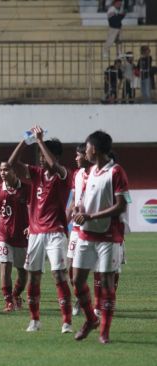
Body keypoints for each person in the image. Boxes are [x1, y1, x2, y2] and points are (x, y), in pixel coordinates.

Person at [8, 126, 73, 334]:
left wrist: (40, 141)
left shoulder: (64, 174)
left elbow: (54, 165)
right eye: (40, 156)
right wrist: (25, 140)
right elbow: (10, 164)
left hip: (55, 232)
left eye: (43, 155)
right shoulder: (35, 173)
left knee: (58, 275)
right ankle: (34, 320)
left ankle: (67, 322)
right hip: (36, 234)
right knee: (33, 277)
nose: (41, 159)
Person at [72, 130, 129, 344]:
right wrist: (79, 209)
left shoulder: (115, 171)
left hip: (108, 235)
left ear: (94, 149)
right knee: (77, 281)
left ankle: (104, 331)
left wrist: (91, 215)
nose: (84, 151)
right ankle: (90, 319)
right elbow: (84, 201)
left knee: (106, 284)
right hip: (86, 234)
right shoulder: (88, 172)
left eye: (86, 147)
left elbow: (121, 205)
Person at [0, 162, 30, 312]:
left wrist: (31, 226)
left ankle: (16, 295)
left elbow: (34, 209)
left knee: (23, 273)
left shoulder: (27, 189)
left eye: (6, 170)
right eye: (1, 170)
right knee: (5, 267)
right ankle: (8, 301)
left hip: (23, 237)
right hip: (4, 236)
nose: (3, 173)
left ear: (14, 172)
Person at [68, 143, 91, 316]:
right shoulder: (77, 174)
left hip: (93, 228)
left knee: (96, 270)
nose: (76, 158)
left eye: (78, 155)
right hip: (76, 228)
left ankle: (94, 305)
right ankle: (79, 298)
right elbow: (74, 200)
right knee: (70, 267)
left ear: (86, 155)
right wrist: (67, 216)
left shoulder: (98, 174)